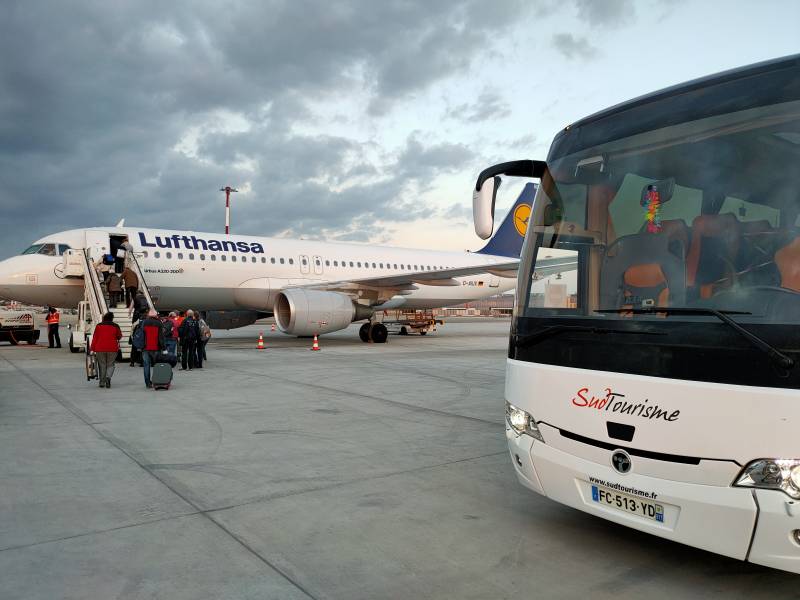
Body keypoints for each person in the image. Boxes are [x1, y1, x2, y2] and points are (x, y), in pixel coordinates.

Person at [90, 312, 121, 388]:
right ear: (112, 318)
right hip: (112, 348)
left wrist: (92, 348)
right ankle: (108, 377)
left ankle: (102, 382)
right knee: (111, 364)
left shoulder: (99, 326)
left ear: (104, 318)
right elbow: (119, 336)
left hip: (100, 348)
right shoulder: (116, 326)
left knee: (102, 365)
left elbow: (95, 337)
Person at [140, 309, 165, 388]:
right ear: (156, 315)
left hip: (145, 347)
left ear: (149, 315)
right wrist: (163, 347)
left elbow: (142, 334)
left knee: (146, 365)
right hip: (156, 347)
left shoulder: (144, 322)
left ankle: (148, 383)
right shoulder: (159, 323)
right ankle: (157, 380)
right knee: (157, 365)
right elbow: (161, 337)